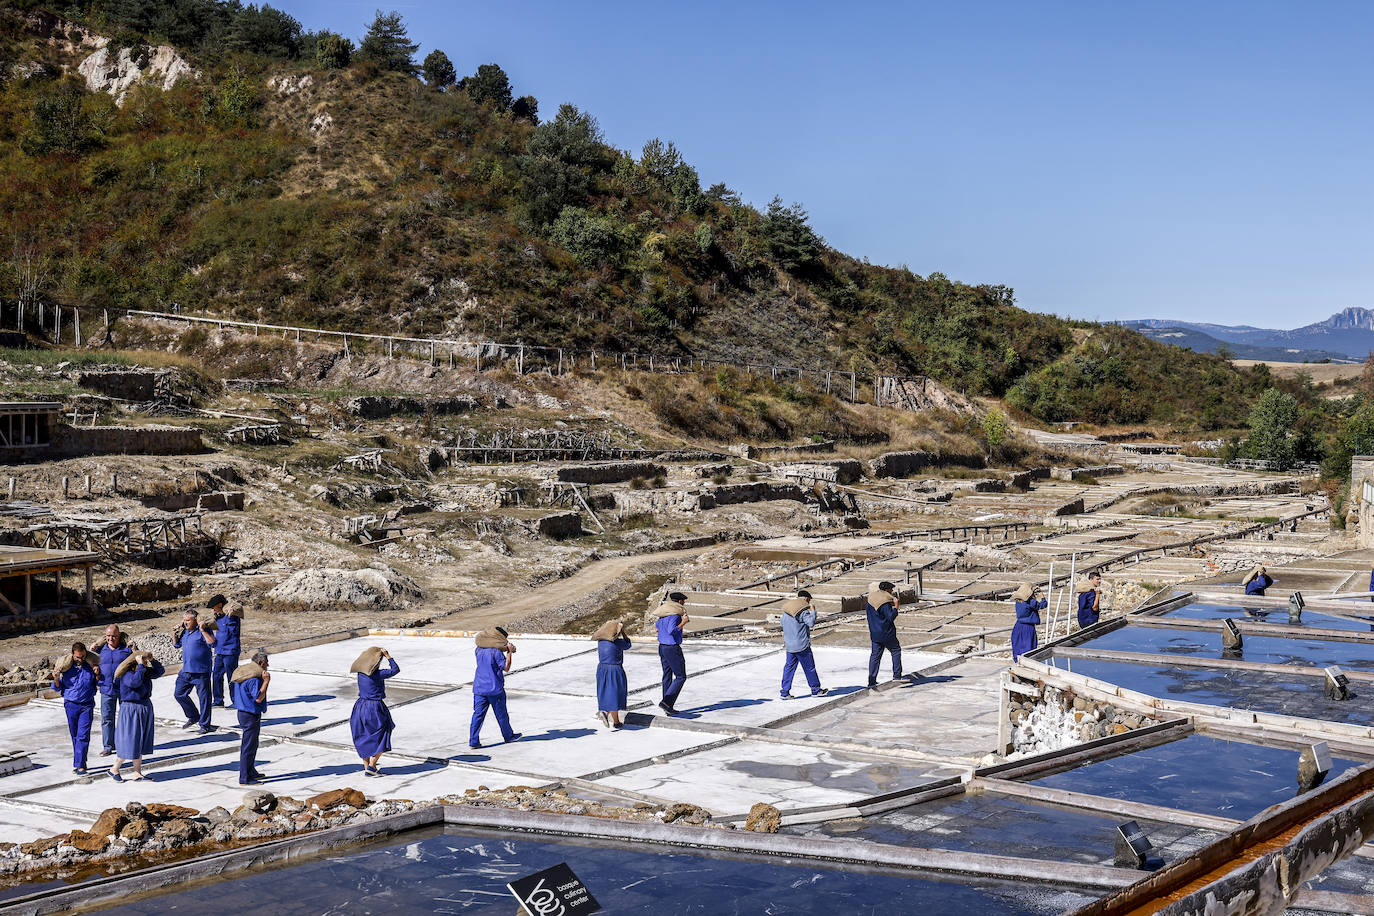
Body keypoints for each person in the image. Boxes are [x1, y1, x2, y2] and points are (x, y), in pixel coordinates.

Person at [112, 651, 164, 782]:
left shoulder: (144, 671)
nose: (145, 663)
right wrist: (141, 666)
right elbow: (135, 683)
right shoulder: (127, 674)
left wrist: (153, 660)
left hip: (144, 706)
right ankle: (114, 769)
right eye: (144, 661)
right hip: (131, 708)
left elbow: (160, 671)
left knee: (140, 741)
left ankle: (137, 772)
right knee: (131, 741)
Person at [349, 646, 399, 776]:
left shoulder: (360, 674)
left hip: (360, 706)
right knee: (384, 731)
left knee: (362, 735)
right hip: (375, 707)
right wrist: (388, 656)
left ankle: (368, 768)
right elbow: (395, 669)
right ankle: (372, 765)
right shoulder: (378, 674)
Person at [52, 643, 99, 775]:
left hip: (86, 705)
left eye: (83, 656)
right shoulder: (66, 667)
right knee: (75, 735)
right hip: (71, 705)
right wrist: (56, 677)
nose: (81, 659)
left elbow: (98, 683)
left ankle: (80, 767)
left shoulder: (89, 666)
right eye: (78, 657)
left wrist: (97, 674)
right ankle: (80, 763)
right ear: (73, 655)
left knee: (83, 735)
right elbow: (57, 687)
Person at [469, 628, 520, 749]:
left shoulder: (478, 649)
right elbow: (506, 667)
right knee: (501, 714)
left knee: (478, 715)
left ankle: (473, 741)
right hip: (494, 689)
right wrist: (509, 652)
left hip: (479, 688)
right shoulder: (496, 652)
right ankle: (508, 736)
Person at [173, 610, 217, 733]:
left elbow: (213, 643)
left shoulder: (204, 631)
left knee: (204, 699)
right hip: (186, 670)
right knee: (179, 694)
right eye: (184, 620)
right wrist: (174, 633)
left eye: (188, 620)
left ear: (195, 620)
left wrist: (202, 630)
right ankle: (193, 716)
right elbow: (177, 645)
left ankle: (204, 725)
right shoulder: (185, 632)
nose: (185, 623)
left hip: (201, 672)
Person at [230, 650, 270, 785]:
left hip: (243, 712)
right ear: (260, 663)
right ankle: (245, 778)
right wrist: (266, 681)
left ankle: (251, 771)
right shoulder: (254, 678)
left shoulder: (244, 674)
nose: (267, 666)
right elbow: (258, 698)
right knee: (248, 746)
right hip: (250, 714)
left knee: (252, 745)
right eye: (266, 663)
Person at [780, 590, 828, 699]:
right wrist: (813, 612)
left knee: (789, 668)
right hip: (802, 645)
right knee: (809, 668)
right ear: (806, 599)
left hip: (790, 645)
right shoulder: (803, 610)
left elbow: (782, 623)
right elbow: (810, 623)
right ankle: (816, 690)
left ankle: (784, 692)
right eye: (809, 600)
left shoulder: (787, 610)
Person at [95, 625, 133, 758]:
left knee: (125, 718)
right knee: (107, 719)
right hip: (106, 689)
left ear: (119, 635)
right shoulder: (99, 650)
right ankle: (108, 746)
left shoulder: (126, 650)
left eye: (114, 636)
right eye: (108, 636)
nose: (110, 639)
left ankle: (125, 744)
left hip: (124, 689)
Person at [655, 593, 690, 715]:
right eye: (683, 601)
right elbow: (672, 630)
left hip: (662, 647)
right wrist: (683, 622)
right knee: (681, 676)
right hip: (672, 648)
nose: (684, 603)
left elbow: (657, 629)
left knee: (667, 675)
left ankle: (667, 706)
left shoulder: (663, 615)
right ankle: (667, 702)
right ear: (680, 601)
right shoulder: (675, 616)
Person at [593, 620, 631, 729]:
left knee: (608, 694)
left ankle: (616, 722)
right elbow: (628, 644)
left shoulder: (601, 641)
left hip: (602, 669)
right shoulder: (618, 642)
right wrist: (623, 632)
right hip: (614, 669)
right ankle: (605, 712)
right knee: (616, 694)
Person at [866, 581, 903, 687]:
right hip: (886, 632)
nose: (892, 592)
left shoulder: (870, 599)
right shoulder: (884, 602)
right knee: (896, 651)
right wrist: (896, 607)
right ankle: (897, 676)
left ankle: (871, 681)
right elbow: (890, 617)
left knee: (875, 656)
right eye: (891, 590)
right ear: (887, 590)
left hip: (874, 633)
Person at [209, 595, 242, 709]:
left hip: (230, 651)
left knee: (232, 677)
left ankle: (236, 701)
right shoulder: (219, 618)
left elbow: (233, 631)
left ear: (219, 605)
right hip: (220, 651)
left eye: (214, 607)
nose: (213, 609)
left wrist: (230, 615)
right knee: (216, 676)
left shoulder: (232, 617)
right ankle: (218, 701)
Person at [1011, 583, 1047, 661]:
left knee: (1018, 647)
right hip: (1028, 627)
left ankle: (1018, 663)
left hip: (1018, 626)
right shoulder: (1031, 602)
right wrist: (1041, 595)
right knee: (1029, 648)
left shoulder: (1018, 601)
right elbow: (1043, 605)